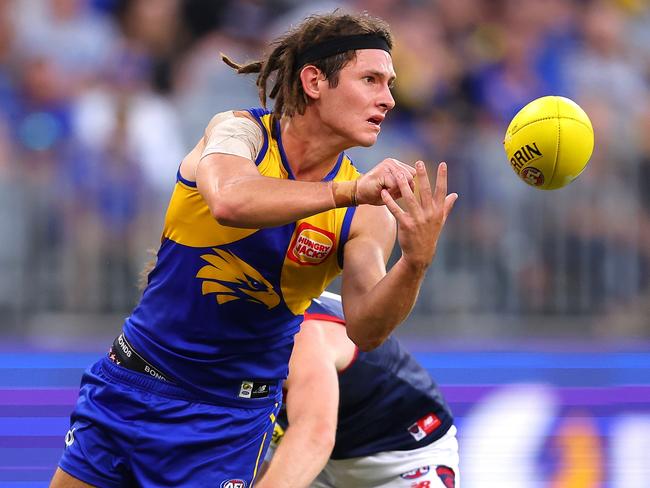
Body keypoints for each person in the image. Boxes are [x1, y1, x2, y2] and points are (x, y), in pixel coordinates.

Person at [50, 11, 457, 487]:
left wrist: (415, 262)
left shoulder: (366, 210)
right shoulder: (238, 132)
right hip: (130, 384)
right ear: (314, 81)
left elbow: (365, 329)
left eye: (389, 84)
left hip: (226, 421)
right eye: (370, 80)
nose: (387, 99)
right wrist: (346, 192)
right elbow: (229, 200)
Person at [258, 292, 459, 488]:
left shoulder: (303, 334)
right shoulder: (243, 311)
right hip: (320, 461)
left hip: (404, 456)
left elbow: (314, 436)